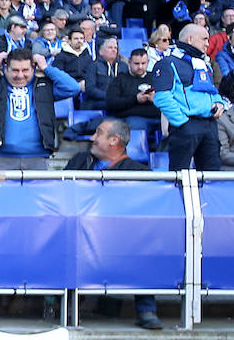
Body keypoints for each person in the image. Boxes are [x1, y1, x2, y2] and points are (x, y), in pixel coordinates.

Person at [64, 118, 162, 329]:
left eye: (98, 133)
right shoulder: (79, 161)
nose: (92, 138)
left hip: (122, 239)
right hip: (80, 233)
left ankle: (146, 310)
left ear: (114, 140)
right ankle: (66, 308)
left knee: (143, 246)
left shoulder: (140, 174)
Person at [0, 47, 82, 169]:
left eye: (25, 70)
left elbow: (73, 88)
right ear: (6, 68)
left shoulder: (44, 87)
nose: (20, 75)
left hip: (38, 156)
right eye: (15, 70)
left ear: (33, 69)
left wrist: (46, 68)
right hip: (2, 157)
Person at [152, 23, 224, 171]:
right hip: (186, 126)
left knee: (212, 175)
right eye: (204, 39)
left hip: (209, 125)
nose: (207, 43)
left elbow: (212, 91)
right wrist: (182, 122)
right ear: (190, 39)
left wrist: (219, 103)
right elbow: (162, 98)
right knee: (180, 175)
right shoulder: (167, 63)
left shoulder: (203, 64)